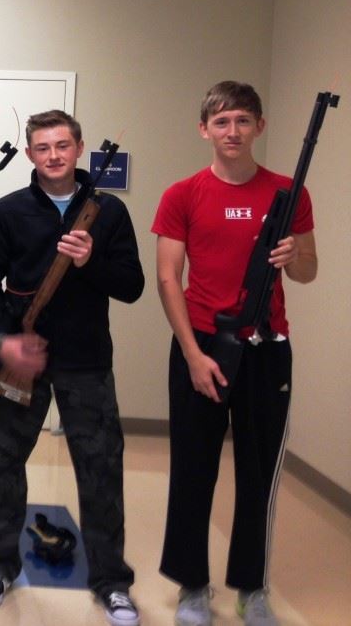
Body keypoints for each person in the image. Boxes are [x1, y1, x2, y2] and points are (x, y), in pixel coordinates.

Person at [0, 110, 144, 625]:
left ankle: (111, 581)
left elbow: (131, 286)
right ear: (30, 154)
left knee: (102, 471)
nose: (53, 156)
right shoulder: (8, 211)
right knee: (3, 464)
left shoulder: (107, 212)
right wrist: (2, 342)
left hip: (87, 363)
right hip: (22, 360)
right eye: (43, 147)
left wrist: (92, 261)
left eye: (63, 146)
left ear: (80, 147)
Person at [153, 81, 316, 626]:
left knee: (259, 472)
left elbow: (308, 270)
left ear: (260, 128)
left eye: (243, 121)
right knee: (193, 470)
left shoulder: (288, 193)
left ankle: (253, 587)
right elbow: (168, 279)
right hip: (202, 344)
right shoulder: (183, 194)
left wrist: (295, 254)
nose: (232, 131)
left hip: (268, 351)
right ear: (204, 129)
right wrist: (193, 355)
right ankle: (192, 586)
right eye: (221, 122)